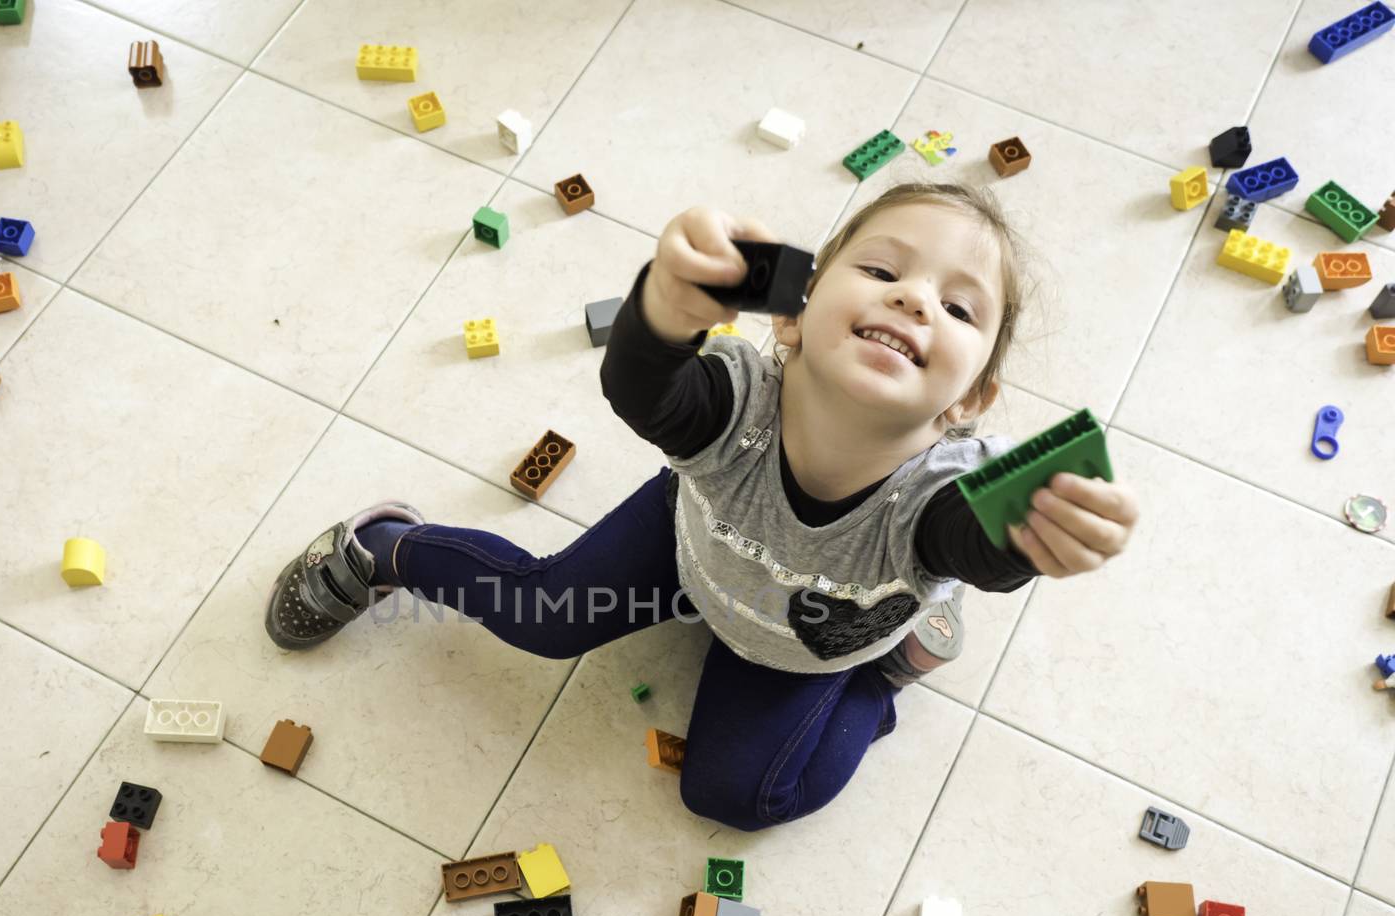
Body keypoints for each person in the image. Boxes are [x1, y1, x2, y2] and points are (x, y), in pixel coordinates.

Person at [263, 182, 1139, 830]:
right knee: (540, 615)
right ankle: (383, 547)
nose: (915, 298)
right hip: (691, 553)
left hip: (819, 642)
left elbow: (975, 545)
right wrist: (665, 309)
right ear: (792, 318)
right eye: (881, 270)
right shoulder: (740, 398)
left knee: (736, 796)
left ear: (970, 399)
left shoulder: (942, 495)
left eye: (957, 307)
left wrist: (1033, 535)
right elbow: (645, 388)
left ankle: (887, 676)